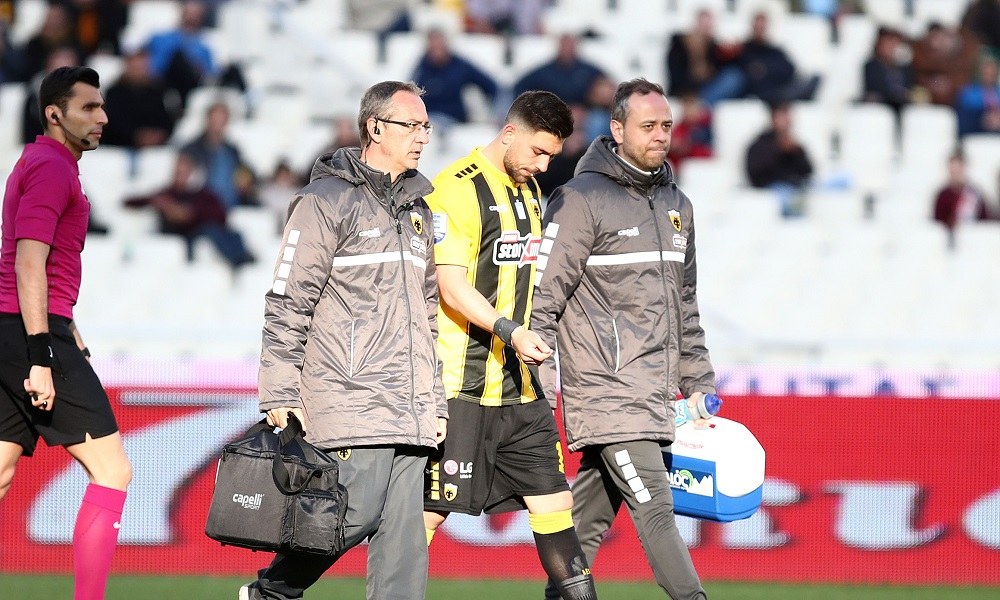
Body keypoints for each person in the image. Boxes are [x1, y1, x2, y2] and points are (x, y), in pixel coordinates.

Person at [240, 80, 447, 600]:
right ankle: (271, 593)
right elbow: (287, 300)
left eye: (426, 126)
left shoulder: (419, 210)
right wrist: (279, 389)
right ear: (375, 127)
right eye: (411, 125)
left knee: (404, 550)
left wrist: (435, 398)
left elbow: (427, 314)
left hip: (411, 408)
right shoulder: (323, 201)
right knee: (347, 515)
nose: (423, 136)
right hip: (350, 396)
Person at [531, 78, 716, 600]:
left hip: (655, 399)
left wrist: (698, 382)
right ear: (616, 129)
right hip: (607, 393)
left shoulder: (678, 204)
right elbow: (541, 303)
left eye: (666, 126)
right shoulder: (579, 200)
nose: (661, 135)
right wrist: (541, 393)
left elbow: (685, 306)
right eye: (648, 125)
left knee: (584, 530)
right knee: (656, 509)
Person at [421, 90, 598, 600]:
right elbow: (451, 286)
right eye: (538, 152)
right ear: (509, 133)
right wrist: (511, 331)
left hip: (521, 389)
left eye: (551, 156)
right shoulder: (456, 189)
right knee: (427, 515)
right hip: (462, 388)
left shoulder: (530, 190)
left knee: (555, 505)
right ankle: (278, 588)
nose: (543, 165)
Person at [0, 65, 132, 599]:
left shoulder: (41, 163)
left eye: (102, 106)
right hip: (29, 335)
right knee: (112, 472)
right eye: (89, 107)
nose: (103, 117)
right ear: (55, 115)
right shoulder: (53, 168)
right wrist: (41, 353)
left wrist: (68, 323)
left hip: (15, 327)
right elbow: (29, 262)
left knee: (0, 471)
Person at [123, 153, 255, 269]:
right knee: (212, 231)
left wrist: (190, 213)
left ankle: (244, 258)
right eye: (177, 172)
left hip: (203, 228)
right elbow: (132, 201)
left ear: (191, 172)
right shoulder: (167, 194)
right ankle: (241, 260)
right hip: (182, 234)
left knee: (232, 233)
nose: (179, 176)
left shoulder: (203, 195)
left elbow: (221, 215)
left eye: (183, 172)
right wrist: (160, 204)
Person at [411, 28, 499, 126]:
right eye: (433, 48)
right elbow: (411, 94)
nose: (437, 52)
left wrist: (494, 113)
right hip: (427, 120)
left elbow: (491, 86)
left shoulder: (460, 66)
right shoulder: (421, 68)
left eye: (439, 46)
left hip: (454, 120)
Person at [180, 101, 254, 211]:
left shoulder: (232, 151)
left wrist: (246, 182)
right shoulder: (191, 150)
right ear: (207, 119)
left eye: (221, 119)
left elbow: (246, 174)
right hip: (203, 207)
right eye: (215, 119)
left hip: (232, 205)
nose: (217, 123)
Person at [745, 102, 813, 216]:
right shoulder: (760, 144)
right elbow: (756, 173)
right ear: (773, 119)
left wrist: (796, 152)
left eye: (787, 115)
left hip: (798, 185)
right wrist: (778, 151)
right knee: (790, 200)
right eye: (782, 116)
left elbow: (808, 171)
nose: (786, 120)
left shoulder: (794, 144)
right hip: (774, 188)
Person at [101, 45, 177, 149]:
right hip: (121, 147)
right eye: (136, 67)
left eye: (142, 67)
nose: (139, 70)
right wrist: (136, 136)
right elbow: (114, 121)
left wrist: (159, 135)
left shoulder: (159, 91)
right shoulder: (114, 92)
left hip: (155, 147)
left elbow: (167, 118)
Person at [737, 11, 819, 104]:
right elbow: (751, 75)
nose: (760, 30)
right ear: (752, 27)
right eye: (757, 27)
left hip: (780, 87)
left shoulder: (773, 50)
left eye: (762, 27)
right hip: (764, 93)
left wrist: (766, 69)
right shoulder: (743, 50)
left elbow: (789, 69)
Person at [666, 8, 743, 106]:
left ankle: (702, 106)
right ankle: (702, 106)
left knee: (733, 77)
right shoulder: (679, 46)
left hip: (705, 90)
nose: (706, 29)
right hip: (686, 91)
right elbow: (676, 75)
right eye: (703, 25)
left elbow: (723, 69)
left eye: (708, 25)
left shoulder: (712, 47)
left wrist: (732, 52)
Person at [514, 34, 606, 107]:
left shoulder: (588, 70)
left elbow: (607, 87)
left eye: (570, 46)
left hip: (585, 113)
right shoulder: (544, 72)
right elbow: (520, 88)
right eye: (565, 46)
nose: (567, 50)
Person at [933, 151, 997, 247]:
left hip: (975, 242)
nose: (955, 174)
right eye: (953, 171)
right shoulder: (943, 195)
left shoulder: (975, 193)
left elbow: (985, 219)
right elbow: (937, 222)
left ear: (964, 169)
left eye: (958, 170)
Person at [862, 26, 914, 115]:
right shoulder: (871, 66)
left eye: (895, 44)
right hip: (880, 109)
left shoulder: (906, 68)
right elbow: (875, 91)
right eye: (888, 43)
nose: (892, 47)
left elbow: (910, 90)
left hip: (902, 108)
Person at [956, 55, 1000, 137]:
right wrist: (983, 119)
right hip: (977, 134)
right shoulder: (968, 93)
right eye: (986, 72)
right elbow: (965, 119)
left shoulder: (998, 91)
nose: (989, 75)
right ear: (980, 72)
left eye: (991, 72)